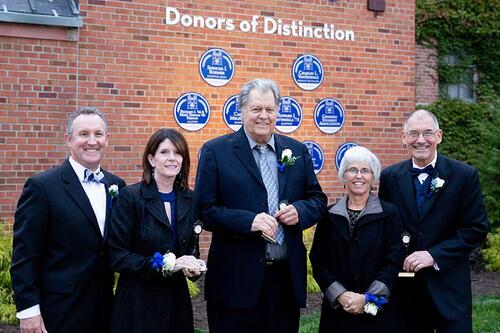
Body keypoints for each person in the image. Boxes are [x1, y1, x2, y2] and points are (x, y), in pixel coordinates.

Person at [195, 78, 327, 333]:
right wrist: (248, 222)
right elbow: (204, 211)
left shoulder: (297, 151)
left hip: (284, 283)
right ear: (241, 110)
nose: (263, 116)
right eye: (256, 109)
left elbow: (317, 200)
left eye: (269, 109)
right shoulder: (216, 151)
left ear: (278, 112)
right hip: (234, 283)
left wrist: (300, 211)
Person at [10, 107, 126, 333]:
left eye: (98, 134)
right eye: (84, 134)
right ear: (68, 140)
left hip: (105, 310)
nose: (92, 141)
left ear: (107, 139)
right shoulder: (42, 187)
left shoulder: (116, 185)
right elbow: (24, 255)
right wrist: (28, 312)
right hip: (58, 311)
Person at [378, 109, 489, 333]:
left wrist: (433, 255)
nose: (420, 140)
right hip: (405, 294)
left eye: (427, 133)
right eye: (414, 134)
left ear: (439, 136)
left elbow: (476, 228)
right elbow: (386, 228)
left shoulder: (464, 175)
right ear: (403, 137)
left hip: (449, 291)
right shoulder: (389, 177)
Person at [108, 128, 206, 333]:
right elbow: (116, 255)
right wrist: (166, 264)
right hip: (138, 303)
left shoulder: (190, 198)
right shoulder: (131, 198)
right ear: (151, 159)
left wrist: (191, 265)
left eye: (178, 153)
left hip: (176, 303)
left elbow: (190, 248)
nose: (173, 158)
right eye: (165, 152)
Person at [310, 146, 404, 333]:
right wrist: (340, 294)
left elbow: (394, 260)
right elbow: (319, 260)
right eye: (352, 170)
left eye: (365, 171)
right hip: (337, 311)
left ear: (373, 177)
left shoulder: (389, 214)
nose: (358, 176)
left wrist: (368, 298)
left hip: (376, 311)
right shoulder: (329, 215)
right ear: (344, 176)